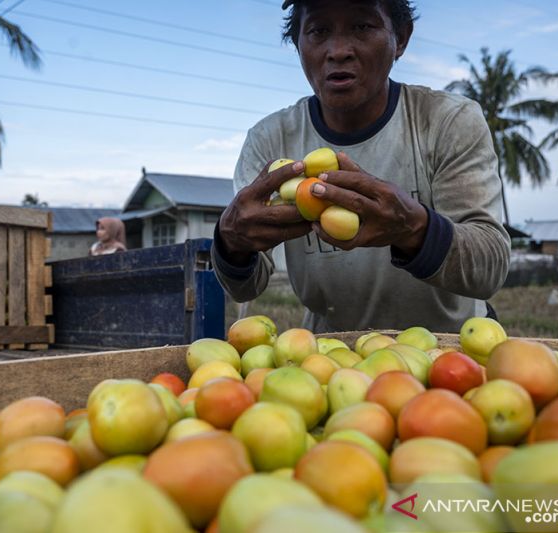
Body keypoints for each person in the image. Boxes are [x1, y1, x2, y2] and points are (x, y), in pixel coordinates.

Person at [211, 0, 510, 333]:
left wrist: (415, 230)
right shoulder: (270, 140)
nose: (338, 51)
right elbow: (245, 287)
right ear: (298, 43)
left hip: (450, 359)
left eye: (363, 27)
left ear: (401, 38)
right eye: (318, 30)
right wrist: (230, 242)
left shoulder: (447, 122)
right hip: (332, 363)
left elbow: (490, 268)